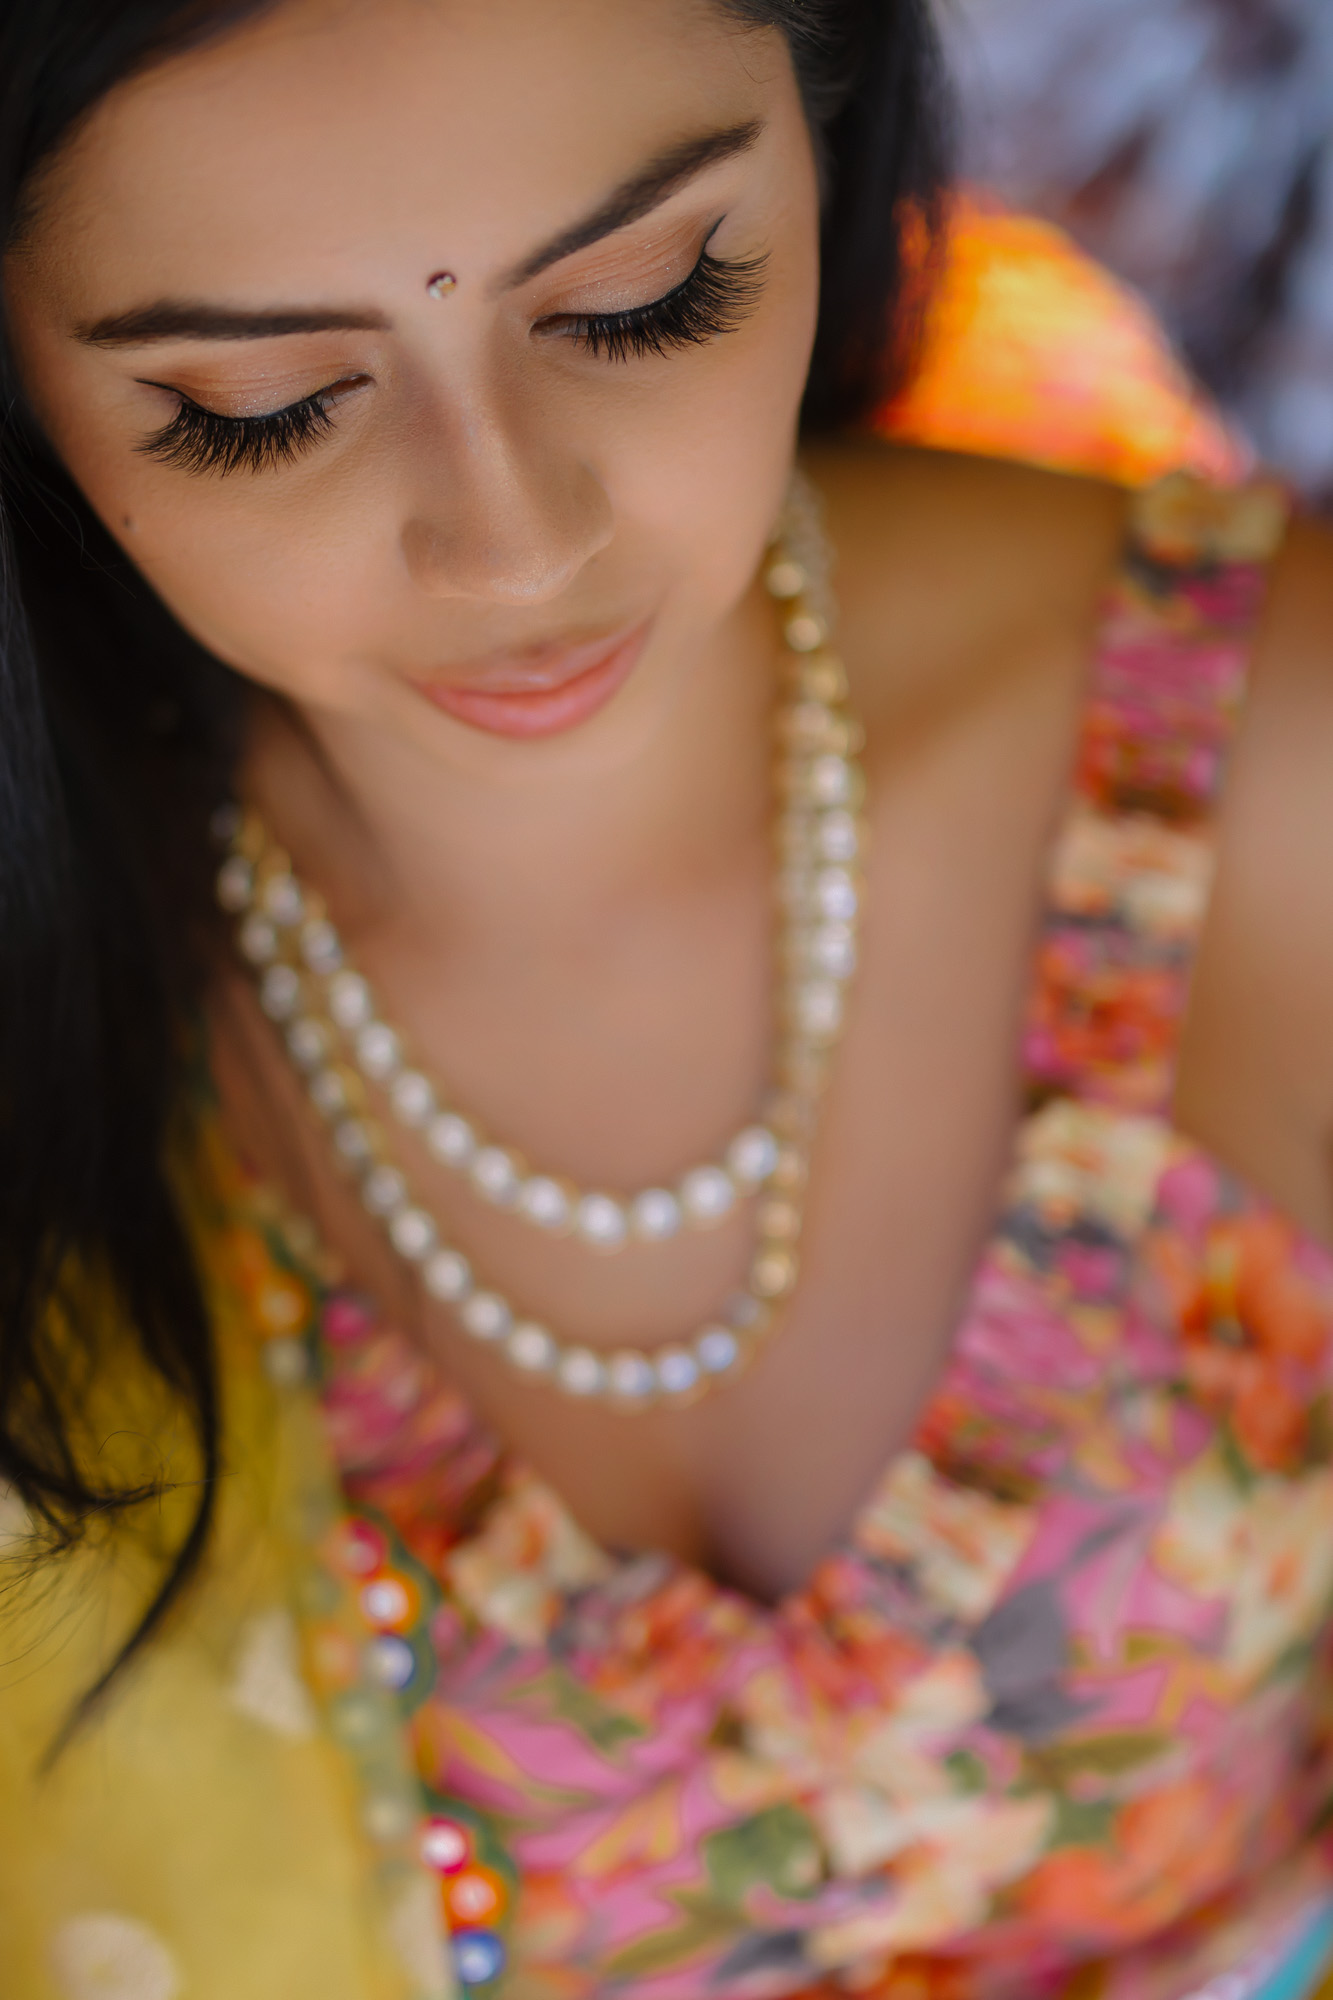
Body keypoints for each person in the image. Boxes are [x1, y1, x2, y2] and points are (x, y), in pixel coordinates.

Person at [4, 4, 1333, 1998]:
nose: (515, 541)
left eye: (639, 299)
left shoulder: (1262, 773)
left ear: (826, 127)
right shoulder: (52, 1013)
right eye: (261, 405)